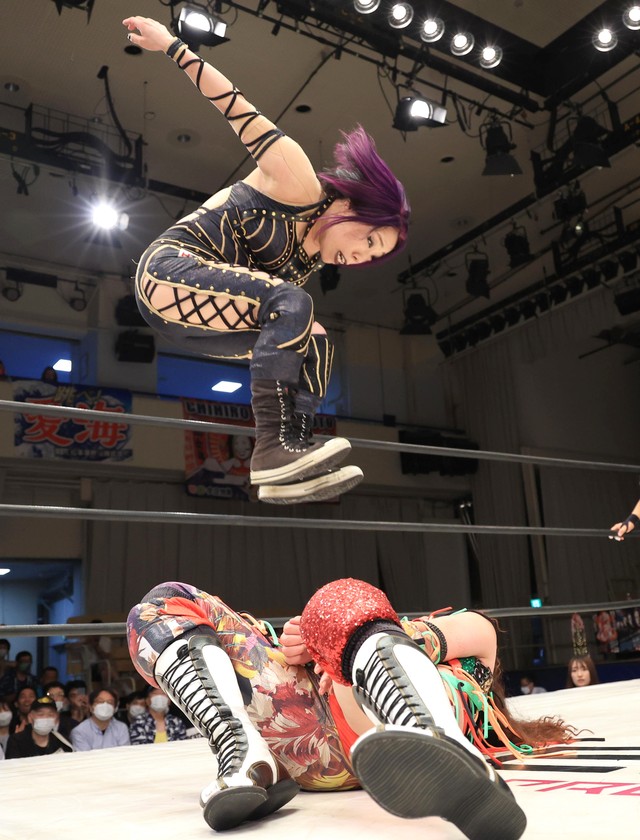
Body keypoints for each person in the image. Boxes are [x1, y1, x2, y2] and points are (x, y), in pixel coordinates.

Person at [122, 15, 410, 505]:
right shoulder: (298, 181)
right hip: (168, 273)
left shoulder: (308, 262)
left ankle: (289, 452)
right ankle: (273, 447)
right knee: (294, 303)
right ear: (351, 206)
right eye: (368, 240)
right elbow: (235, 107)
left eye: (370, 257)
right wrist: (172, 45)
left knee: (316, 339)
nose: (359, 256)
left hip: (197, 323)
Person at [126, 579, 576, 835]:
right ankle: (243, 756)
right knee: (160, 606)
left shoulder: (474, 647)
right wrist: (306, 644)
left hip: (368, 726)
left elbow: (474, 630)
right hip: (301, 738)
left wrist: (331, 641)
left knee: (334, 602)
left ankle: (435, 742)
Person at [4, 697, 73, 759]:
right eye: (41, 714)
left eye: (50, 714)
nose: (46, 718)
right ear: (30, 717)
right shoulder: (17, 741)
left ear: (56, 718)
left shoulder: (63, 741)